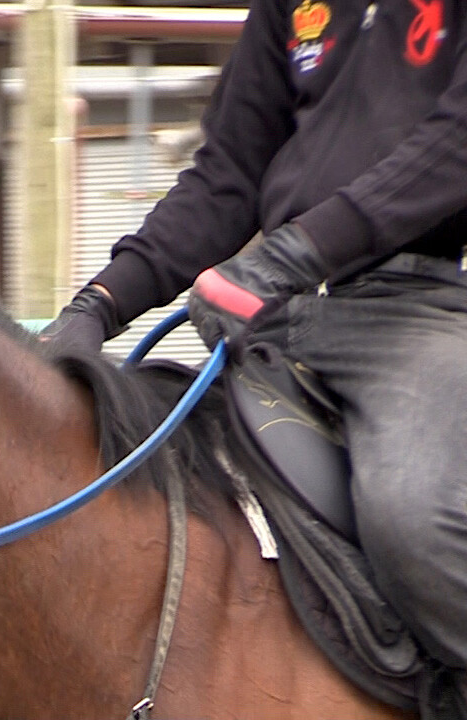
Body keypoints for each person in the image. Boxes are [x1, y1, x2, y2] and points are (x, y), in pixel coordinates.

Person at [40, 0, 467, 706]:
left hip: (413, 310)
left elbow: (456, 145)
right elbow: (226, 175)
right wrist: (99, 305)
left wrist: (303, 247)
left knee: (411, 514)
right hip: (274, 318)